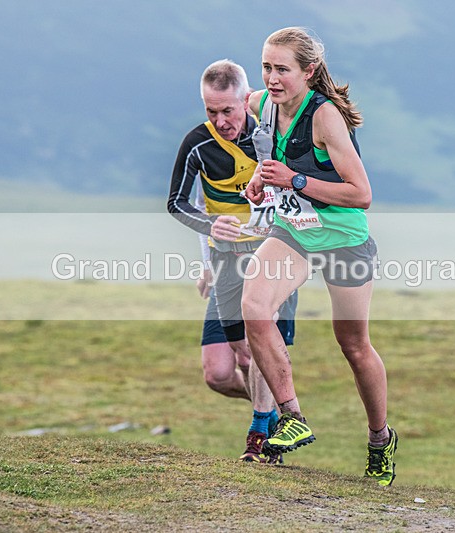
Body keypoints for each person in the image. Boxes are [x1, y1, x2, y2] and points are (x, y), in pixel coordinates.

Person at [241, 27, 398, 486]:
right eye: (266, 67)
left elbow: (361, 194)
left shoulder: (326, 118)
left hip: (344, 238)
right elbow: (266, 145)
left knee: (352, 344)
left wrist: (293, 181)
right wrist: (259, 176)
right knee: (254, 307)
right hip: (294, 232)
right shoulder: (260, 104)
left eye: (282, 70)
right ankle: (292, 416)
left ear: (308, 72)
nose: (271, 78)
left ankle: (379, 439)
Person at [168, 59, 297, 463]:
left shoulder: (274, 134)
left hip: (273, 255)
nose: (221, 120)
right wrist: (209, 227)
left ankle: (259, 436)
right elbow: (175, 203)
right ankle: (276, 414)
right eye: (211, 111)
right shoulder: (197, 144)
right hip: (225, 261)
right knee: (222, 372)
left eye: (228, 110)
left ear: (246, 100)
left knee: (258, 342)